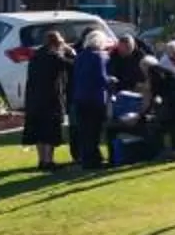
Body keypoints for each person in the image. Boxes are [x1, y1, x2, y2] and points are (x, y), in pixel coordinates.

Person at [68, 28, 113, 173]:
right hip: (95, 99)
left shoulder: (80, 56)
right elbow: (101, 78)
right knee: (94, 130)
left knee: (85, 131)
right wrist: (112, 81)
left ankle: (88, 159)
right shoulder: (99, 56)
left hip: (80, 97)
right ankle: (94, 160)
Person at [22, 34, 69, 171]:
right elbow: (71, 65)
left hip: (34, 100)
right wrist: (71, 52)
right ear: (56, 45)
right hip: (50, 99)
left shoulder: (36, 56)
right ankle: (49, 161)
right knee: (50, 131)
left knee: (38, 131)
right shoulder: (54, 57)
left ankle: (41, 160)